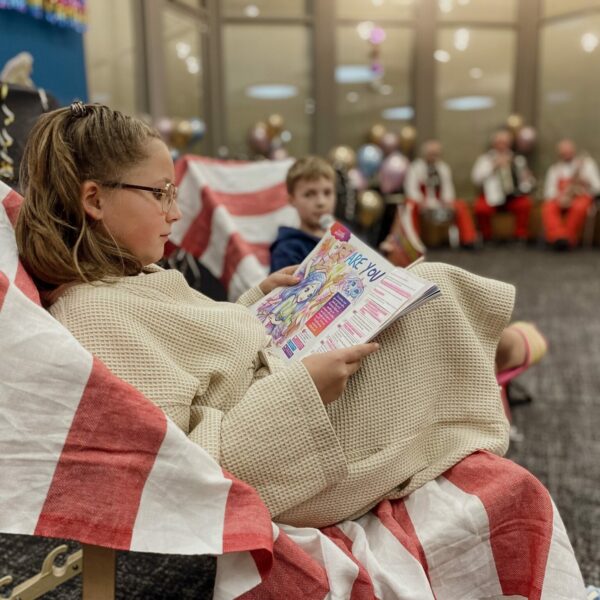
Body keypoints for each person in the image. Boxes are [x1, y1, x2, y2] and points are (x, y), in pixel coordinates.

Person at [17, 103, 537, 530]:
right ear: (94, 200)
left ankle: (497, 350)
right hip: (297, 449)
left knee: (407, 287)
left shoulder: (125, 277)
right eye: (160, 194)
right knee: (434, 293)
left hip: (279, 388)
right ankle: (502, 353)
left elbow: (199, 346)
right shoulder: (93, 316)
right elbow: (188, 470)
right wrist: (303, 391)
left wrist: (257, 301)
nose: (175, 212)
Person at [404, 140, 477, 248]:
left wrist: (447, 201)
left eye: (436, 154)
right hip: (422, 202)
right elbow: (410, 188)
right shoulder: (415, 167)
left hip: (439, 202)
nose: (434, 157)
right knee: (409, 205)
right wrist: (421, 201)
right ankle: (413, 240)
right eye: (431, 154)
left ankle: (468, 239)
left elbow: (448, 187)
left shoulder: (443, 167)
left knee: (461, 205)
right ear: (425, 154)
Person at [269, 155, 336, 272]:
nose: (321, 202)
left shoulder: (346, 236)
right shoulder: (287, 250)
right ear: (292, 200)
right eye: (309, 194)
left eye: (327, 192)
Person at [471, 129, 535, 243]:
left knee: (524, 204)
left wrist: (528, 178)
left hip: (512, 196)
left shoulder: (518, 159)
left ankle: (520, 236)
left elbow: (528, 184)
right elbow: (476, 179)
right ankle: (487, 237)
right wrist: (493, 166)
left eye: (505, 142)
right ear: (493, 144)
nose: (502, 145)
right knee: (481, 208)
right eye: (499, 142)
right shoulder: (485, 159)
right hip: (491, 197)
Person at [542, 139, 600, 250]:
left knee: (578, 207)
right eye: (563, 152)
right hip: (561, 197)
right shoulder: (554, 169)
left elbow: (597, 187)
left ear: (574, 151)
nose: (566, 154)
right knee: (548, 207)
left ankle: (568, 239)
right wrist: (561, 198)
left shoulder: (587, 165)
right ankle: (557, 237)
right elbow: (549, 191)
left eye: (568, 151)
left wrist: (585, 182)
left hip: (581, 197)